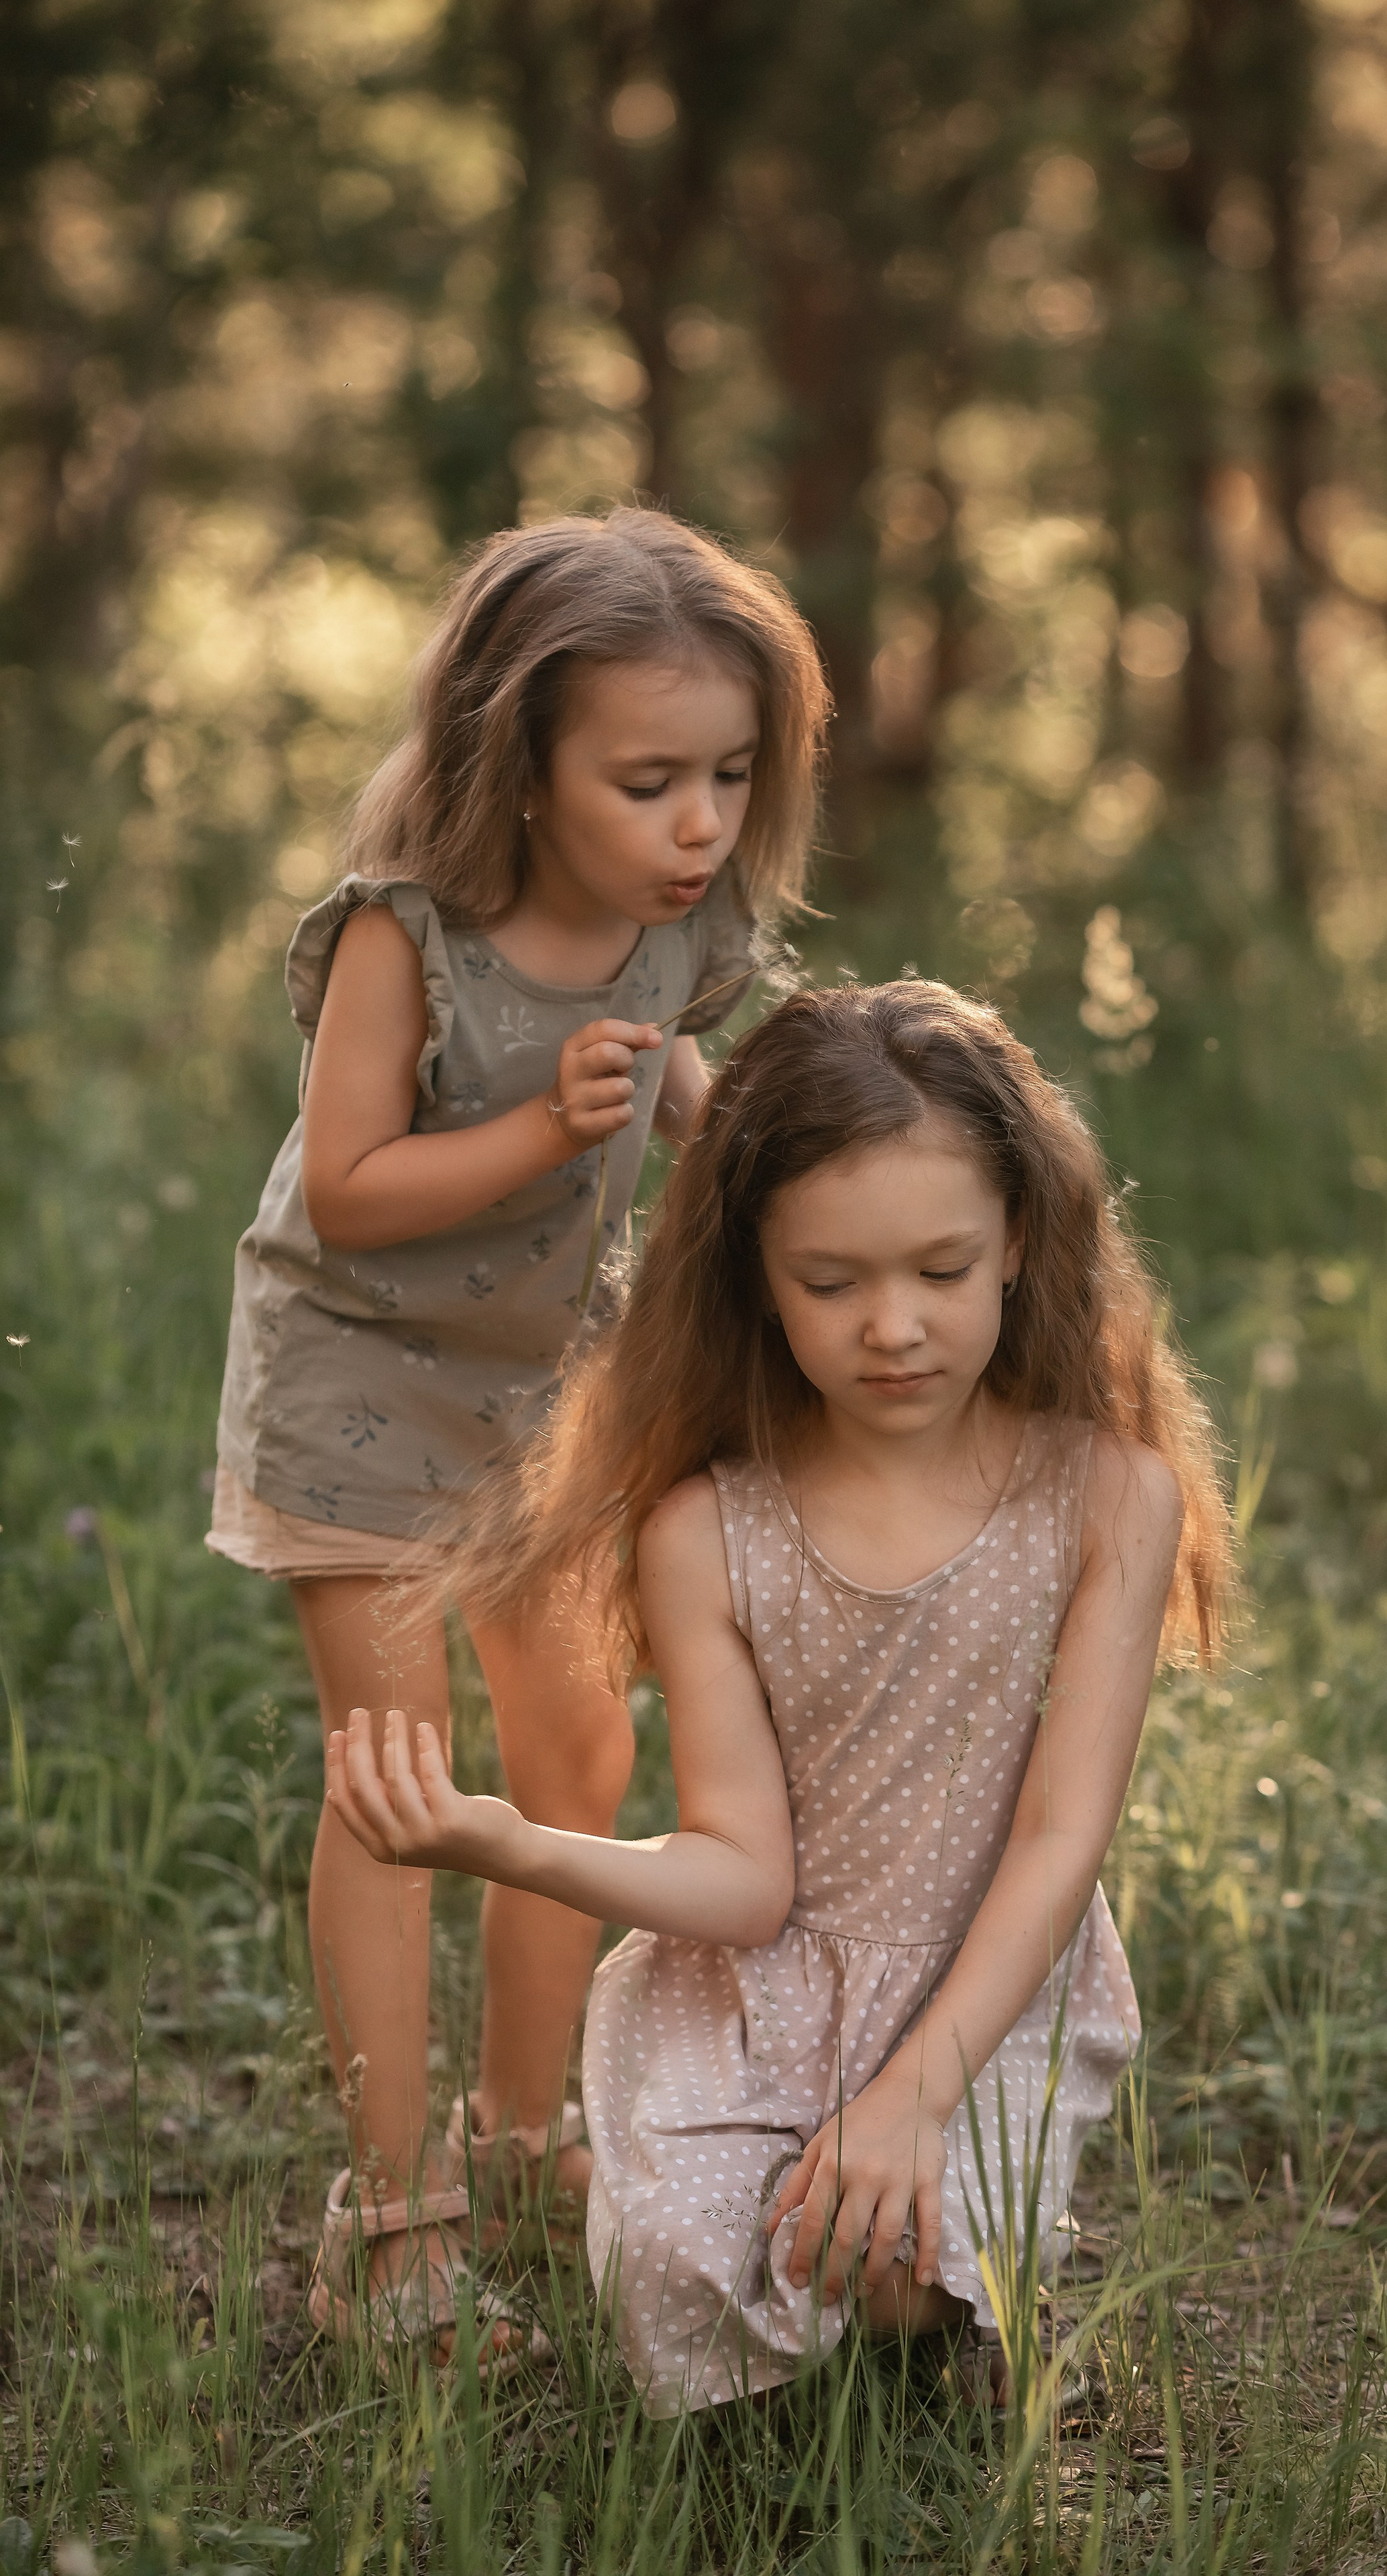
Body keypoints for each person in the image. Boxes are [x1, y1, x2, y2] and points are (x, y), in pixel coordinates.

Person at [325, 979, 1233, 2412]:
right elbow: (743, 1879)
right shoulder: (708, 1534)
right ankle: (910, 2267)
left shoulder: (1103, 1499)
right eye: (831, 1282)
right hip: (758, 1995)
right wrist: (504, 1843)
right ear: (754, 1273)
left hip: (983, 1986)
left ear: (1017, 1247)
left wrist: (914, 2094)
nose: (891, 1327)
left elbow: (1061, 1842)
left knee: (879, 2260)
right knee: (701, 2276)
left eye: (940, 1271)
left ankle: (965, 2281)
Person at [207, 506, 829, 2367]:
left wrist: (720, 1136)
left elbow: (677, 1086)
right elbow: (349, 1186)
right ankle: (389, 2225)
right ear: (517, 760)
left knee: (574, 1737)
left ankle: (527, 2134)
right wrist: (552, 1130)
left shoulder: (678, 925)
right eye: (650, 781)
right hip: (358, 1386)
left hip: (548, 1397)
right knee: (397, 1780)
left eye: (729, 775)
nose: (701, 824)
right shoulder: (413, 938)